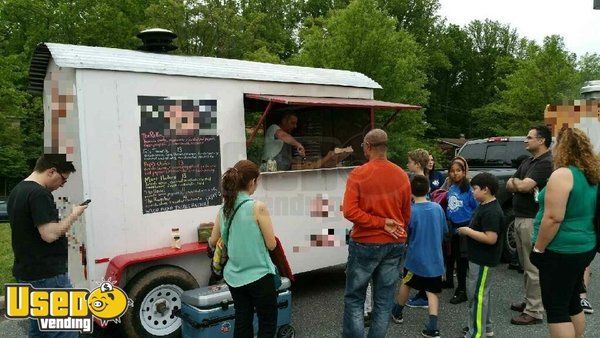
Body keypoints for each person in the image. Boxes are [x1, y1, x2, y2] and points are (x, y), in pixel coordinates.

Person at [7, 154, 88, 338]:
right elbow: (50, 234)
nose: (62, 185)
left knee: (40, 331)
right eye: (63, 180)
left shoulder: (18, 190)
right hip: (48, 276)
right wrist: (74, 214)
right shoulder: (39, 193)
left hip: (28, 273)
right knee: (63, 331)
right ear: (52, 171)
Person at [342, 129, 411, 338]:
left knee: (355, 299)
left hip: (365, 243)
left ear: (368, 146)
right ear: (385, 147)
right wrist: (387, 224)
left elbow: (349, 211)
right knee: (383, 301)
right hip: (395, 243)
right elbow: (406, 216)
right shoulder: (402, 175)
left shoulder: (358, 174)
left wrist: (379, 223)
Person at [530, 128, 599, 338]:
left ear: (562, 147)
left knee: (557, 308)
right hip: (585, 246)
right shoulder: (591, 175)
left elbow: (553, 218)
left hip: (560, 250)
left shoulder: (563, 174)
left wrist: (538, 248)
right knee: (572, 301)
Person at [208, 160, 278, 338]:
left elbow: (213, 240)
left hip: (235, 277)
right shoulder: (258, 207)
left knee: (242, 321)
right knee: (267, 324)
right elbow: (272, 244)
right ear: (251, 182)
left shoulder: (224, 209)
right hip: (260, 275)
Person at [507, 125, 553, 325]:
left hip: (532, 220)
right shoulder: (528, 161)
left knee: (533, 265)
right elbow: (511, 183)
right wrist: (519, 183)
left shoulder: (546, 163)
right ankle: (529, 302)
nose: (525, 140)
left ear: (541, 140)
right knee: (525, 264)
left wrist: (519, 184)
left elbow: (524, 186)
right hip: (520, 217)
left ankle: (534, 311)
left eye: (529, 137)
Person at [391, 175, 448, 338]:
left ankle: (397, 312)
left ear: (410, 192)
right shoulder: (437, 208)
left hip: (415, 260)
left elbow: (406, 235)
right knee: (432, 291)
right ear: (429, 189)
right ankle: (432, 327)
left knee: (406, 283)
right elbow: (444, 231)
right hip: (436, 260)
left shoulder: (410, 212)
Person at [458, 172, 505, 338]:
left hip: (483, 260)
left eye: (475, 189)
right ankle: (486, 326)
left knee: (478, 296)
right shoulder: (484, 205)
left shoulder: (491, 211)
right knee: (482, 294)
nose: (472, 192)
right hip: (478, 258)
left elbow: (491, 238)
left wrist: (468, 231)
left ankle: (477, 333)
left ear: (486, 190)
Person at [445, 156, 478, 304]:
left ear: (464, 172)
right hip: (452, 226)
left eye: (458, 170)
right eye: (452, 171)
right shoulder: (451, 188)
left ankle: (463, 289)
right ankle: (453, 283)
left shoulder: (469, 190)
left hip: (465, 227)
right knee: (452, 256)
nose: (455, 174)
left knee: (462, 260)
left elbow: (476, 208)